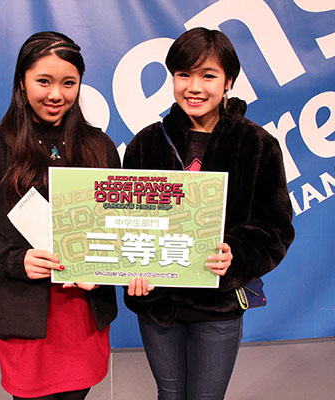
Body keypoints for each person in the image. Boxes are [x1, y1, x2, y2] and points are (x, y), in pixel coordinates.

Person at [124, 27, 295, 399]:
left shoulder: (258, 145)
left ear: (228, 81)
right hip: (158, 305)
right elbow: (125, 223)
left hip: (218, 305)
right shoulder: (146, 144)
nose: (194, 87)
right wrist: (130, 270)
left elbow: (276, 227)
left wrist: (236, 253)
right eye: (183, 74)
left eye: (208, 76)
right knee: (169, 395)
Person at [0, 31, 120, 400]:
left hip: (83, 310)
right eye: (43, 81)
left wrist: (101, 270)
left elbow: (115, 226)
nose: (56, 94)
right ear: (21, 81)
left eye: (68, 83)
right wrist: (18, 260)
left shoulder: (100, 147)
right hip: (23, 308)